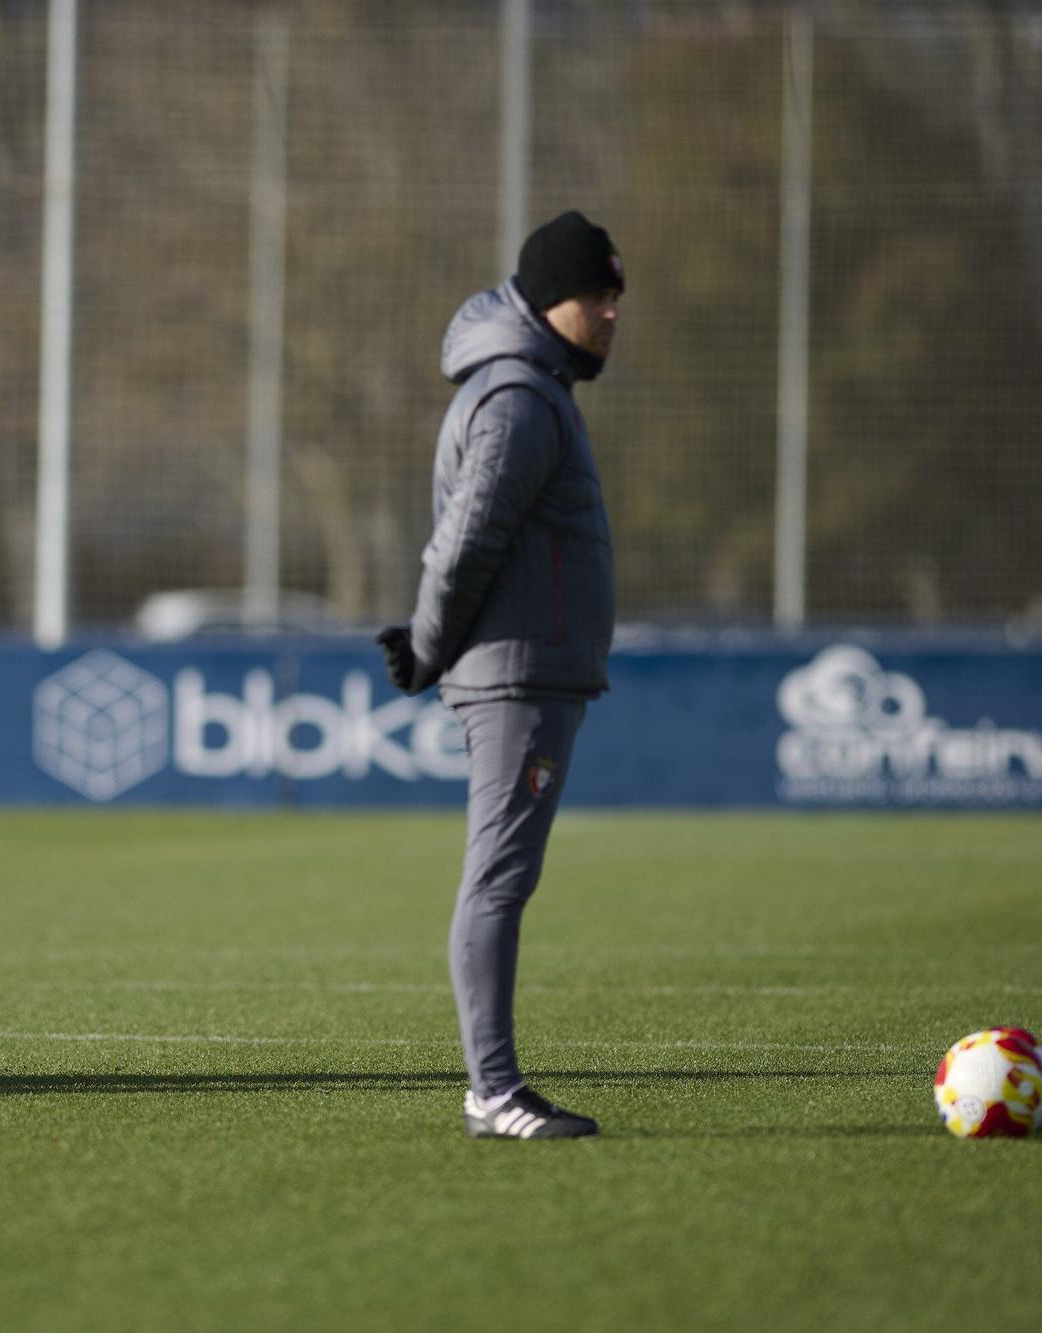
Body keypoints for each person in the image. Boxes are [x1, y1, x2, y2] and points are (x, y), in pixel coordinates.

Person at [378, 210, 622, 1140]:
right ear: (547, 301)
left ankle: (497, 1086)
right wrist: (430, 642)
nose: (609, 315)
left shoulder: (538, 389)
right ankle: (493, 1091)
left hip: (537, 674)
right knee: (498, 879)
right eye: (595, 297)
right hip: (515, 680)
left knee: (503, 877)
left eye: (614, 299)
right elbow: (467, 536)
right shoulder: (520, 398)